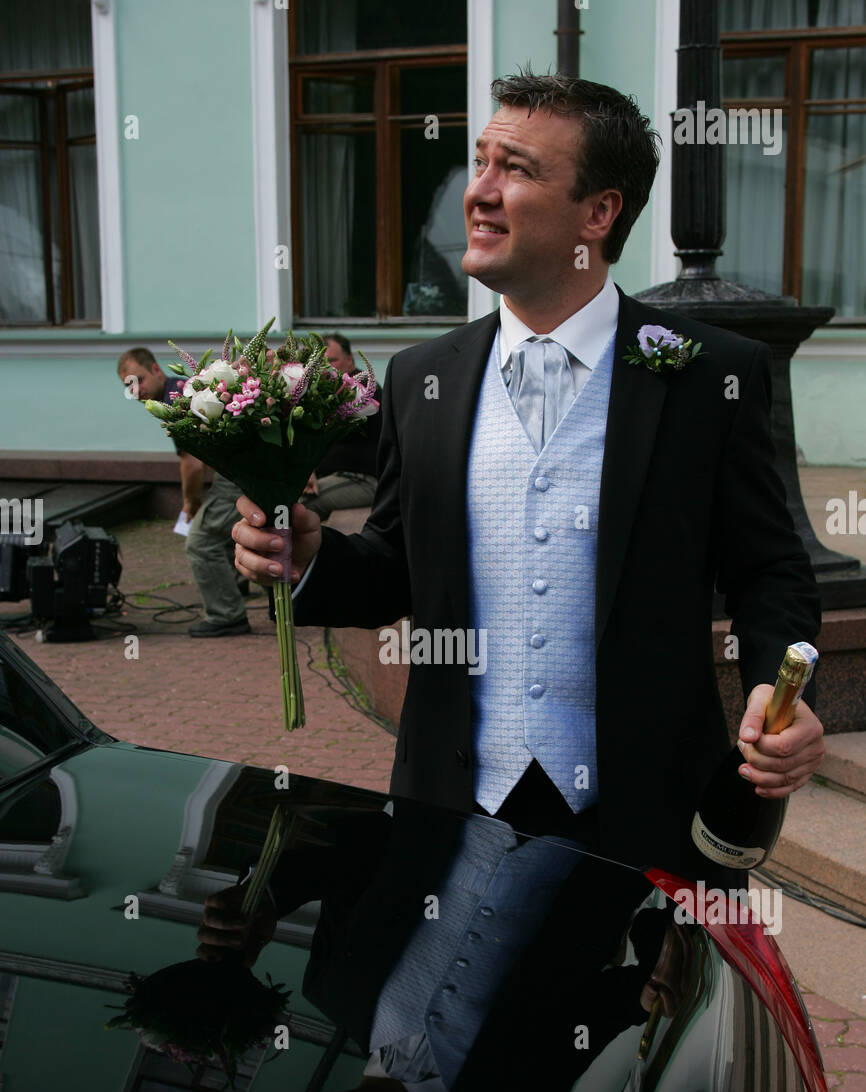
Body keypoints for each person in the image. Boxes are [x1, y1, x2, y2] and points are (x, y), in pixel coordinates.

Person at [232, 70, 825, 884]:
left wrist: (778, 688)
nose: (477, 193)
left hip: (644, 819)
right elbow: (396, 566)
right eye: (479, 163)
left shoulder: (709, 376)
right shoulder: (421, 380)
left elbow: (772, 571)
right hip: (456, 806)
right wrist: (307, 562)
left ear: (598, 212)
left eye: (515, 169)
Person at [117, 346, 251, 637]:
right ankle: (237, 584)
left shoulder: (174, 401)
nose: (135, 390)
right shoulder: (181, 388)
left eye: (138, 379)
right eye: (128, 385)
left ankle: (227, 614)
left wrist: (190, 503)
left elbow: (191, 466)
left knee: (200, 542)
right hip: (245, 469)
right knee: (225, 527)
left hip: (239, 475)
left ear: (155, 369)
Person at [301, 333, 383, 521]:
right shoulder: (324, 390)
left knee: (298, 506)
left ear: (349, 360)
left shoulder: (361, 388)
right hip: (337, 477)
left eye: (332, 360)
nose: (326, 367)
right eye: (321, 362)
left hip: (362, 480)